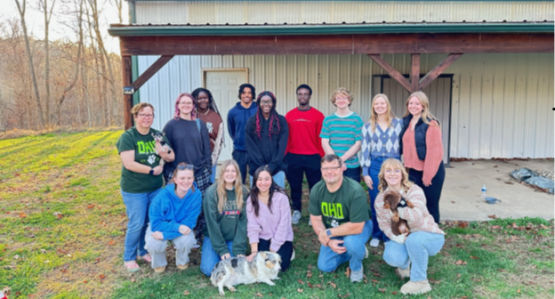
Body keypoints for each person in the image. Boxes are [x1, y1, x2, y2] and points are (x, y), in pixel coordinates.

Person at [116, 102, 175, 272]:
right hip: (134, 189)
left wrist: (163, 152)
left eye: (150, 115)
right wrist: (151, 170)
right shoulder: (128, 137)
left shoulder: (157, 135)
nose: (146, 118)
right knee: (136, 222)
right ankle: (129, 256)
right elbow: (129, 163)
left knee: (148, 221)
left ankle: (143, 251)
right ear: (136, 117)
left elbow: (171, 156)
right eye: (142, 114)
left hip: (155, 188)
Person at [375, 158, 445, 295]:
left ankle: (420, 281)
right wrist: (396, 238)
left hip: (429, 235)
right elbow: (383, 224)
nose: (392, 174)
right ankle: (405, 264)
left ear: (402, 174)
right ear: (383, 175)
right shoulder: (380, 199)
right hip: (404, 237)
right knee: (391, 257)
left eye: (396, 170)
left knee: (415, 240)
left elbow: (415, 215)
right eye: (388, 171)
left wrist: (394, 210)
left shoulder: (414, 190)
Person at [309, 154, 372, 283]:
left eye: (334, 168)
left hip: (360, 226)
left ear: (342, 168)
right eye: (325, 168)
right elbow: (316, 219)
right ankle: (357, 251)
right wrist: (327, 240)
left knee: (351, 242)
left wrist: (328, 233)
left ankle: (356, 266)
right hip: (335, 230)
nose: (329, 172)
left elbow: (357, 226)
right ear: (321, 170)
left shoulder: (355, 190)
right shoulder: (317, 189)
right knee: (325, 266)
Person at [163, 92, 212, 244]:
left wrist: (207, 168)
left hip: (198, 172)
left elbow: (206, 149)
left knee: (199, 206)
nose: (186, 105)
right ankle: (180, 235)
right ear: (177, 105)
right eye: (182, 103)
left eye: (189, 103)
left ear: (193, 106)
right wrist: (169, 173)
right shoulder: (171, 125)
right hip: (179, 174)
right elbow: (166, 149)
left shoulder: (199, 124)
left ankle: (199, 235)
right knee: (181, 206)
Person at [361, 94, 403, 248]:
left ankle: (390, 234)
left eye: (382, 103)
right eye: (376, 103)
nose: (379, 106)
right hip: (375, 165)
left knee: (393, 200)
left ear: (387, 105)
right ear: (373, 106)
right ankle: (377, 234)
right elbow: (365, 150)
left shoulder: (398, 124)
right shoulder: (367, 126)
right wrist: (365, 172)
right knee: (376, 200)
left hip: (393, 165)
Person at [145, 163, 202, 273]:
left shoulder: (196, 195)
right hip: (162, 226)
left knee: (187, 240)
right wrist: (178, 227)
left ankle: (182, 260)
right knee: (153, 242)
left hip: (181, 227)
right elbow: (156, 224)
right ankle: (159, 262)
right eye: (182, 178)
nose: (186, 181)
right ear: (175, 179)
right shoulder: (162, 197)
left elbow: (189, 223)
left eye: (189, 178)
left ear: (193, 179)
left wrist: (166, 235)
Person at [399, 91, 445, 223]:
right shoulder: (405, 122)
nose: (413, 106)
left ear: (423, 106)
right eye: (411, 103)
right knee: (415, 203)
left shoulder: (431, 124)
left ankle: (433, 233)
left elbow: (435, 152)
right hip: (413, 171)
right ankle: (418, 230)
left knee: (431, 205)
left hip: (431, 171)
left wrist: (428, 174)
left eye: (417, 103)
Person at [200, 160, 249, 277]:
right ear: (222, 173)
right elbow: (212, 223)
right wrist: (222, 249)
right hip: (214, 237)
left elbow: (244, 222)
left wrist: (239, 248)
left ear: (237, 173)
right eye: (227, 171)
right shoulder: (212, 192)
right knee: (209, 270)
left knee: (237, 269)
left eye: (233, 171)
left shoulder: (244, 192)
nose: (230, 174)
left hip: (234, 239)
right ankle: (217, 253)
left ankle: (229, 252)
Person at [285, 84, 325, 225]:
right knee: (295, 186)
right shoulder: (289, 115)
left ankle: (314, 213)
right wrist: (285, 155)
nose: (302, 96)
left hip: (313, 156)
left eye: (305, 94)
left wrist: (322, 156)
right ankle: (296, 210)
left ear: (309, 96)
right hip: (293, 156)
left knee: (314, 187)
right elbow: (286, 137)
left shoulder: (318, 116)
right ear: (297, 96)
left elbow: (321, 138)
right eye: (300, 94)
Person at [246, 166, 294, 272]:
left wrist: (273, 249)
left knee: (280, 267)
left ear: (271, 180)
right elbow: (252, 226)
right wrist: (254, 251)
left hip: (282, 238)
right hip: (263, 237)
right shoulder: (251, 199)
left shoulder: (281, 197)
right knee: (261, 266)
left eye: (267, 179)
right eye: (260, 179)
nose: (263, 183)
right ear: (255, 181)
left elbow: (284, 225)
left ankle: (289, 251)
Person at [245, 91, 289, 188]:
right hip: (256, 168)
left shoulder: (281, 121)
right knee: (257, 199)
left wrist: (272, 166)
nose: (266, 104)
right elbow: (250, 146)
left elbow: (282, 145)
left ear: (273, 103)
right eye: (263, 101)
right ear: (258, 104)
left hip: (277, 168)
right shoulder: (251, 122)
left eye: (269, 101)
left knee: (277, 198)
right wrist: (261, 166)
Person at [320, 87, 364, 182]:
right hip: (331, 165)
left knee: (352, 194)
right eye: (338, 98)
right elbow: (324, 143)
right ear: (334, 102)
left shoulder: (357, 119)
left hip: (351, 165)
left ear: (349, 100)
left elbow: (358, 144)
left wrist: (341, 160)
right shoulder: (328, 120)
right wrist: (336, 162)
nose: (341, 100)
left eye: (344, 97)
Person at [192, 88, 225, 183]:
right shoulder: (190, 116)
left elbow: (219, 141)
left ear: (209, 99)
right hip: (192, 159)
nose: (202, 100)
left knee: (209, 185)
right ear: (194, 100)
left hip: (209, 159)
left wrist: (212, 160)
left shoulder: (216, 117)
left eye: (205, 98)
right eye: (199, 98)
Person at [227, 83, 257, 184]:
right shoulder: (233, 112)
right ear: (240, 94)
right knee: (239, 180)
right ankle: (240, 199)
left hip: (256, 150)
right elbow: (232, 131)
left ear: (253, 95)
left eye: (249, 93)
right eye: (244, 93)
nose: (246, 95)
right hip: (239, 151)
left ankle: (256, 199)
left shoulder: (259, 110)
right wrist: (238, 139)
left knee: (257, 178)